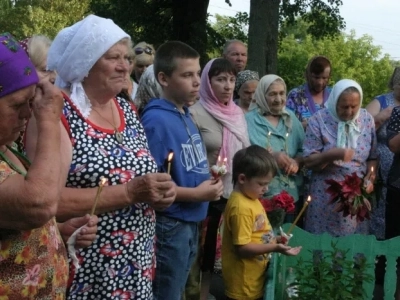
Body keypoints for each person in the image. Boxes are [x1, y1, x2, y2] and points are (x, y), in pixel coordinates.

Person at [24, 15, 176, 299]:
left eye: (126, 57)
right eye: (112, 58)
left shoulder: (127, 109)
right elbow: (44, 200)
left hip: (135, 262)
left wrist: (158, 193)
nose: (124, 66)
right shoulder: (55, 111)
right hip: (86, 264)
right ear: (85, 61)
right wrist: (131, 192)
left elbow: (136, 175)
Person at [0, 32, 98, 299]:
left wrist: (55, 233)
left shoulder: (6, 148)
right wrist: (48, 121)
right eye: (18, 104)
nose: (27, 113)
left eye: (31, 102)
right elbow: (38, 203)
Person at [141, 41, 223, 300]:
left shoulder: (186, 115)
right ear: (163, 78)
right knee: (167, 292)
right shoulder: (156, 121)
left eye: (197, 73)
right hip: (170, 224)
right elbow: (152, 185)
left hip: (191, 220)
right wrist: (197, 194)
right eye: (187, 75)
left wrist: (208, 179)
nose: (197, 81)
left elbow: (187, 164)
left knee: (181, 289)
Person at [190, 58, 250, 298]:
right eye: (221, 79)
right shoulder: (194, 112)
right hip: (204, 194)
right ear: (207, 81)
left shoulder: (237, 114)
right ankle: (200, 294)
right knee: (202, 253)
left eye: (232, 80)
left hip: (232, 193)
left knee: (227, 252)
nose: (228, 86)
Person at [222, 145, 302, 300]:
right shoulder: (241, 208)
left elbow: (255, 234)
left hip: (252, 278)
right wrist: (275, 247)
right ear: (242, 178)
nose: (266, 189)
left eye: (268, 184)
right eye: (261, 184)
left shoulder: (250, 197)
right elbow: (243, 248)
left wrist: (275, 239)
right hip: (243, 284)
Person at [303, 79, 378, 237]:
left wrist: (370, 178)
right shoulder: (318, 120)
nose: (349, 111)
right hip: (326, 193)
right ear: (334, 101)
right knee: (323, 243)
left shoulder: (366, 119)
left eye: (354, 106)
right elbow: (309, 162)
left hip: (356, 193)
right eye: (344, 106)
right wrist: (332, 155)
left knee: (352, 247)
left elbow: (372, 157)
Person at [246, 75, 305, 222]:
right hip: (261, 197)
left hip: (290, 196)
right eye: (272, 94)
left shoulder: (291, 118)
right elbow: (243, 156)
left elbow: (304, 149)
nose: (278, 99)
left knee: (287, 240)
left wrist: (296, 162)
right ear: (261, 95)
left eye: (281, 93)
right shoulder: (248, 120)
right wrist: (271, 158)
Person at [366, 67, 400, 239]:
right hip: (380, 167)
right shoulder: (382, 101)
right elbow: (362, 125)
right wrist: (380, 117)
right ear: (394, 83)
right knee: (380, 210)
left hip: (396, 172)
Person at [286, 56, 332, 129]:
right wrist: (304, 126)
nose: (320, 82)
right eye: (316, 77)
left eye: (324, 78)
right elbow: (285, 125)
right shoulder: (295, 96)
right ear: (308, 75)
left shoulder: (334, 96)